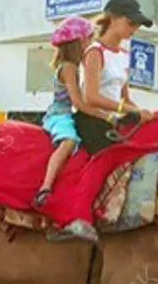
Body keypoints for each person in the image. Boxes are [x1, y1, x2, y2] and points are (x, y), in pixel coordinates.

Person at [32, 14, 110, 208]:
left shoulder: (73, 67)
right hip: (59, 115)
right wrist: (104, 115)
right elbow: (77, 101)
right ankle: (45, 187)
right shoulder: (68, 67)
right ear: (79, 42)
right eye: (89, 39)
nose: (91, 44)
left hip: (66, 113)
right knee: (69, 142)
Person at [75, 0, 155, 153]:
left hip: (115, 121)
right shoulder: (95, 51)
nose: (134, 29)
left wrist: (142, 113)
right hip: (93, 121)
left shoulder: (124, 54)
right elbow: (90, 97)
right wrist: (127, 110)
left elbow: (124, 98)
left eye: (137, 25)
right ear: (113, 19)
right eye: (131, 23)